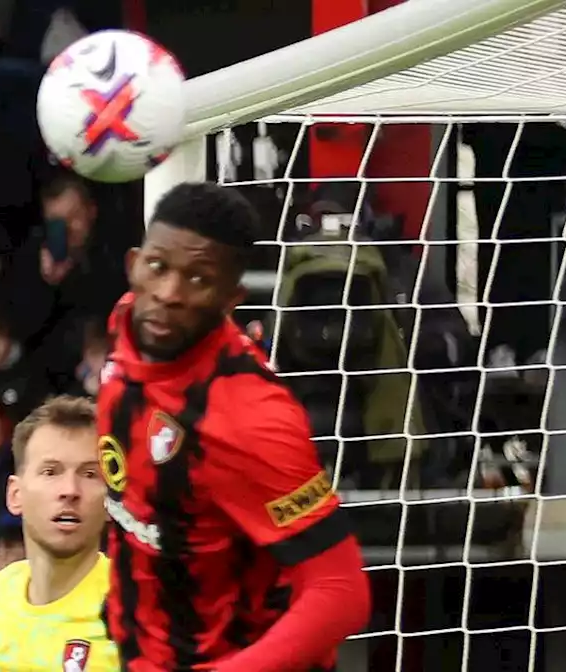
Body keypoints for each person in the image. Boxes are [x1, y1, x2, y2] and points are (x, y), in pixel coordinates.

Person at [97, 182, 371, 671]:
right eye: (157, 267)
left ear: (231, 297)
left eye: (198, 279)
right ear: (133, 262)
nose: (168, 294)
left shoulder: (251, 417)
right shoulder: (127, 326)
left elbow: (341, 591)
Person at [0, 396, 118, 671]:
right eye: (51, 472)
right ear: (15, 495)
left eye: (89, 474)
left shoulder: (135, 608)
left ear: (111, 500)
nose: (70, 490)